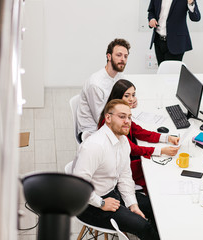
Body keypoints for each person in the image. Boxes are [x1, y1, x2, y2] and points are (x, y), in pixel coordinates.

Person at [73, 99, 160, 240]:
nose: (127, 121)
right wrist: (101, 203)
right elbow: (77, 186)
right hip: (89, 204)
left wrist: (133, 204)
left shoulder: (123, 141)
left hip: (112, 192)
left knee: (155, 208)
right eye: (122, 116)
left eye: (129, 117)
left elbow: (125, 176)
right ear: (108, 118)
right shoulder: (95, 146)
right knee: (143, 226)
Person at [98, 79, 180, 192]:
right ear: (118, 97)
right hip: (118, 168)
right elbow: (132, 149)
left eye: (133, 95)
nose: (132, 99)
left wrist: (167, 138)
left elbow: (139, 132)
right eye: (127, 96)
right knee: (155, 172)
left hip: (125, 158)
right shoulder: (113, 120)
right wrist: (161, 151)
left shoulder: (121, 113)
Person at [77, 38, 134, 142]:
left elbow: (123, 96)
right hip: (93, 131)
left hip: (110, 119)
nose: (123, 59)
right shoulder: (95, 84)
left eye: (125, 56)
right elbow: (101, 120)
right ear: (109, 56)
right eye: (119, 55)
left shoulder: (119, 74)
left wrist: (131, 99)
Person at [148, 0, 201, 66]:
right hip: (158, 40)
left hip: (176, 42)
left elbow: (196, 18)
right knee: (161, 70)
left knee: (171, 73)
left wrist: (190, 3)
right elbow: (151, 11)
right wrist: (152, 19)